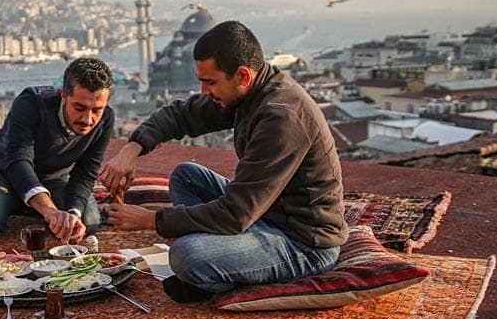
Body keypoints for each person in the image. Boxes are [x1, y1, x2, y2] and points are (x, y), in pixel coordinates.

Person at [99, 20, 347, 301]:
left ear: (242, 76)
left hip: (302, 242)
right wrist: (130, 150)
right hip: (265, 214)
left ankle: (217, 275)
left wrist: (152, 220)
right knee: (186, 175)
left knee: (186, 256)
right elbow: (182, 115)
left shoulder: (281, 118)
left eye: (210, 82)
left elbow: (235, 213)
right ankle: (227, 256)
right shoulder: (249, 92)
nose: (205, 92)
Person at [0, 57, 115, 244]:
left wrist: (72, 213)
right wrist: (50, 210)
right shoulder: (30, 103)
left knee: (88, 222)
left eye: (96, 110)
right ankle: (19, 201)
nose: (88, 119)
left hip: (54, 178)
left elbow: (85, 174)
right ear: (63, 95)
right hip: (4, 172)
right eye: (79, 107)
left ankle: (27, 204)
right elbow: (19, 161)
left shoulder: (106, 119)